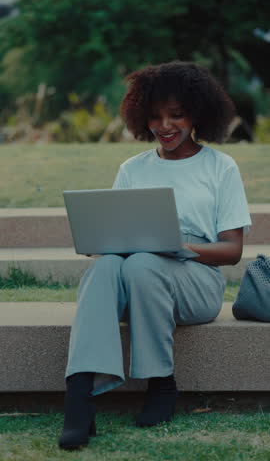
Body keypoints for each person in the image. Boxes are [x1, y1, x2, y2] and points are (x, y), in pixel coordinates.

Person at [58, 61, 252, 450]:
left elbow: (232, 251)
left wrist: (179, 246)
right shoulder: (132, 168)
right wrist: (107, 241)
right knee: (107, 266)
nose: (164, 126)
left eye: (176, 115)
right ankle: (79, 397)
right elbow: (114, 234)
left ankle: (161, 383)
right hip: (136, 275)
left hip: (195, 279)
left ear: (197, 113)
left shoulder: (220, 167)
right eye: (154, 117)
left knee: (146, 261)